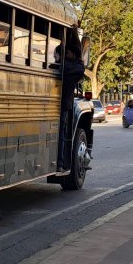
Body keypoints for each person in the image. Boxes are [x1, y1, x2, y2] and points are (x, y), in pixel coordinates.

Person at [56, 41, 85, 172]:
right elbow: (81, 68)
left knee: (60, 134)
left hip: (60, 104)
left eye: (66, 53)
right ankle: (60, 163)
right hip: (62, 105)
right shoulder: (72, 68)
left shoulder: (63, 65)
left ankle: (60, 162)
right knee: (61, 134)